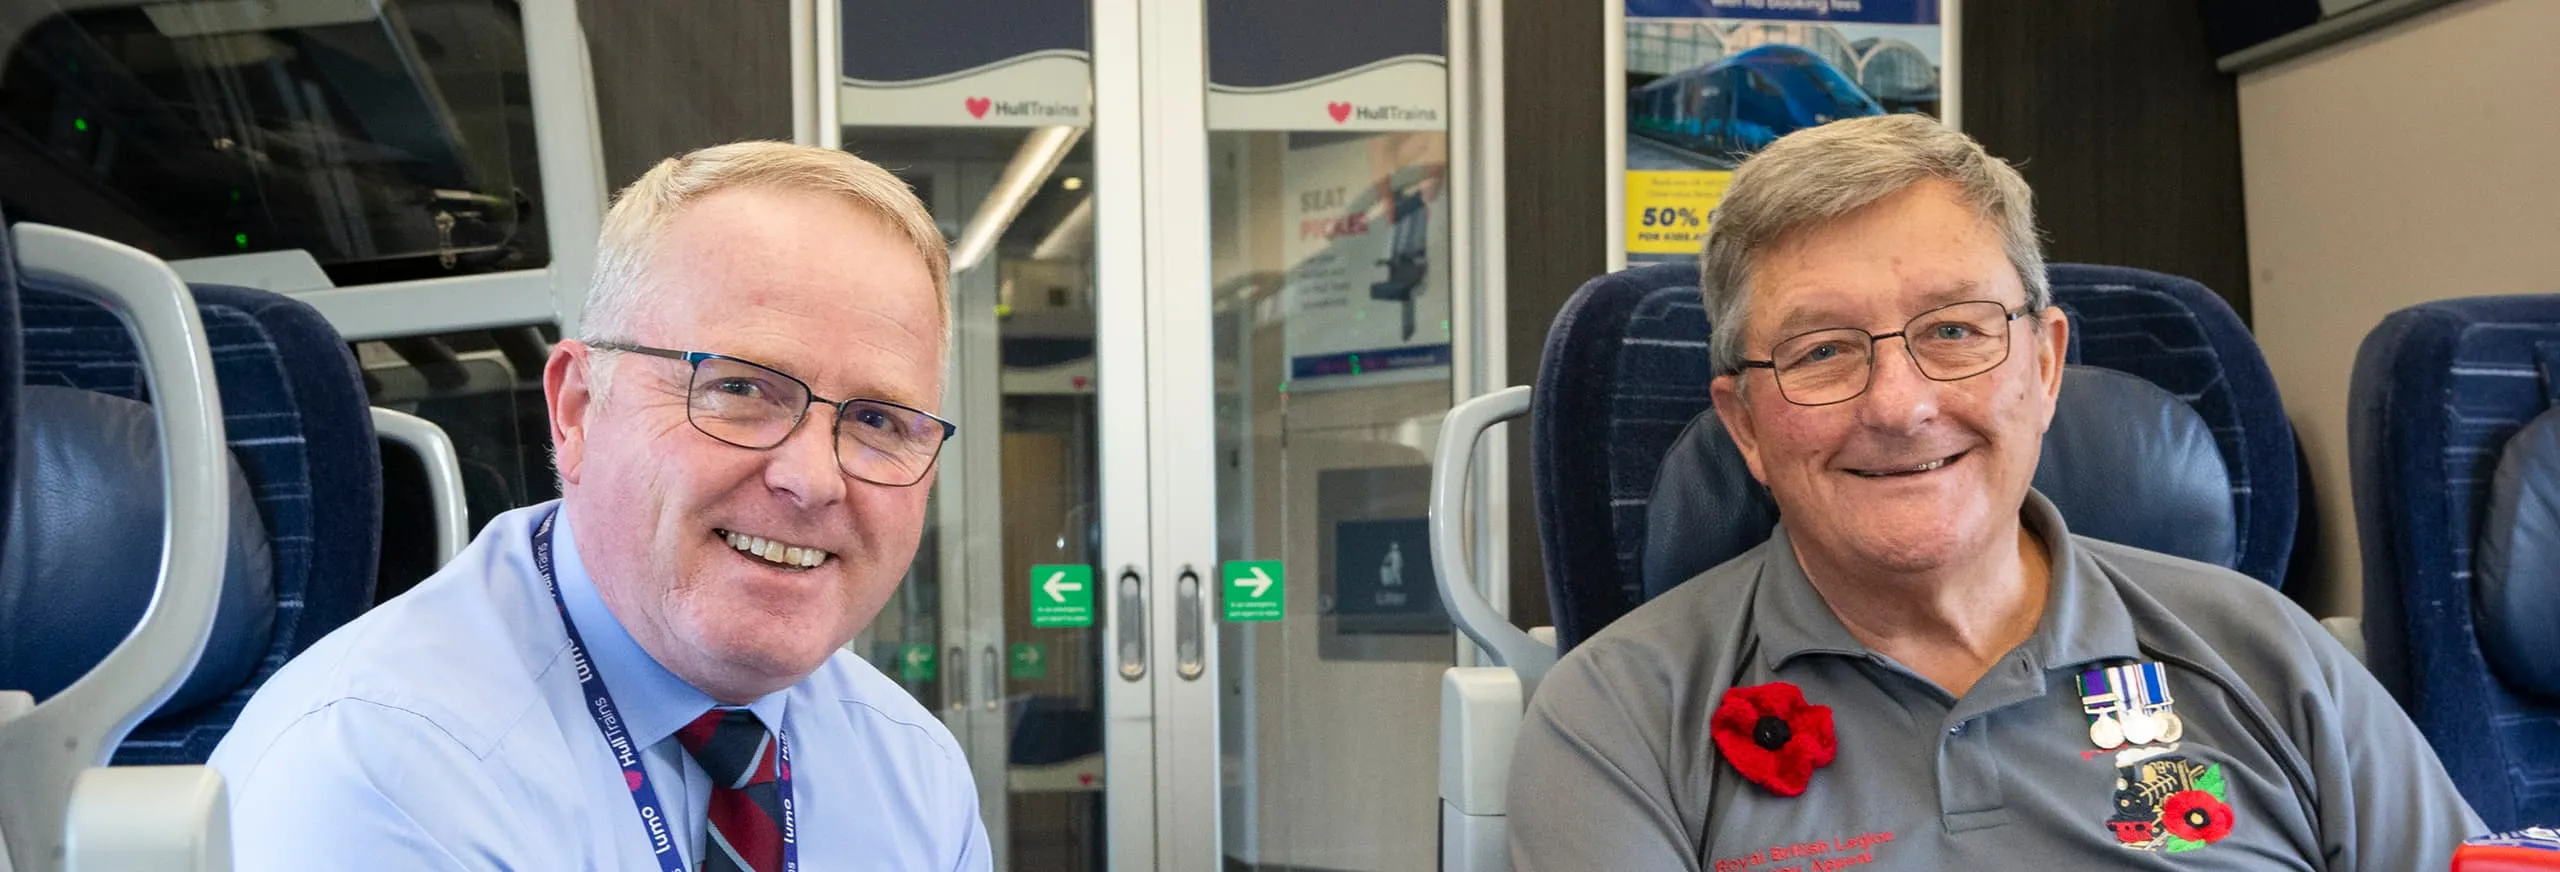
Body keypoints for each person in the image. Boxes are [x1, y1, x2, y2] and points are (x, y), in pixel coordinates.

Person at [1506, 114, 2482, 870]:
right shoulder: (1618, 716)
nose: (1899, 404)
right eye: (1821, 351)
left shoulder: (2267, 656)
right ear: (1746, 423)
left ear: (2046, 365)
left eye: (1955, 331)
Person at [210, 141, 991, 871]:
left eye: (880, 421)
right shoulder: (382, 773)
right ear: (578, 409)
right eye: (741, 389)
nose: (814, 478)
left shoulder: (915, 774)